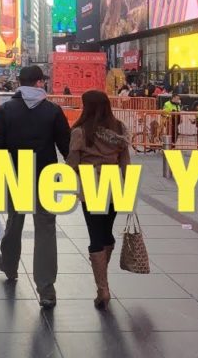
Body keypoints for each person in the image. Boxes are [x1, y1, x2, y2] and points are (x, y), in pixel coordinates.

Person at [0, 65, 71, 308]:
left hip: (14, 175)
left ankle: (10, 266)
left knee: (15, 221)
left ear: (20, 83)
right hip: (45, 176)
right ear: (39, 82)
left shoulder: (6, 109)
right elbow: (67, 147)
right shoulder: (53, 110)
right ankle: (46, 289)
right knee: (46, 229)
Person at [65, 90, 129, 310]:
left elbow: (72, 162)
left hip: (92, 184)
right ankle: (103, 276)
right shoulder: (119, 128)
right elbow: (125, 162)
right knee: (107, 232)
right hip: (115, 185)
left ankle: (103, 288)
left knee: (95, 233)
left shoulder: (81, 131)